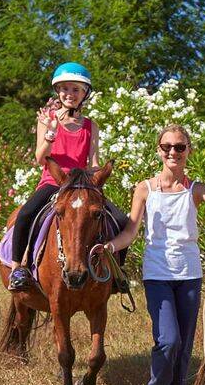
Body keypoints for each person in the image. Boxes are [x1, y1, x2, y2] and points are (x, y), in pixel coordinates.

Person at [105, 124, 205, 385]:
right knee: (168, 340)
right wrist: (109, 246)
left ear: (189, 150)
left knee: (185, 344)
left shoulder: (196, 189)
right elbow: (130, 232)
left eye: (180, 147)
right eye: (167, 147)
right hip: (157, 274)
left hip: (189, 274)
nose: (173, 152)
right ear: (159, 151)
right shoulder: (145, 189)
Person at [7, 62, 128, 291]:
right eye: (65, 89)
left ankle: (115, 273)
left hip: (83, 185)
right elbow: (40, 158)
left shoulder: (91, 126)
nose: (70, 94)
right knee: (25, 215)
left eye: (76, 90)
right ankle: (18, 269)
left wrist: (99, 175)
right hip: (54, 183)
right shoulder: (47, 119)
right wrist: (51, 133)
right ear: (57, 92)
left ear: (84, 94)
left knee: (121, 220)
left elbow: (92, 162)